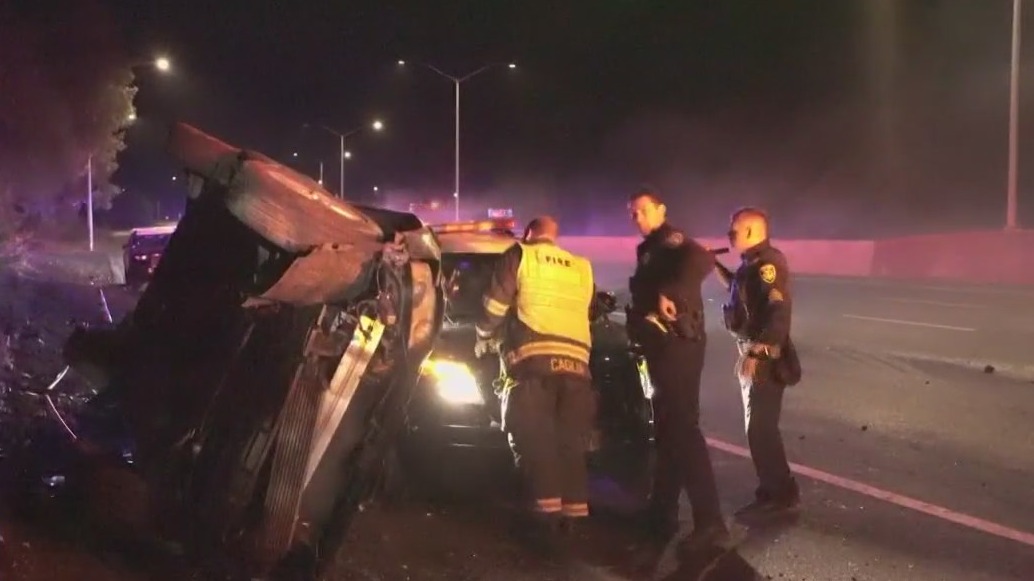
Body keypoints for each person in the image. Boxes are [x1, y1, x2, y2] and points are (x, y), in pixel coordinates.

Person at [474, 216, 598, 542]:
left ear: (529, 235)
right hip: (578, 368)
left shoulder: (521, 255)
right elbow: (589, 310)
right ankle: (573, 519)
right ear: (554, 237)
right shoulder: (581, 267)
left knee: (535, 442)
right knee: (570, 444)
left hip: (534, 364)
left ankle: (543, 524)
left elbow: (496, 303)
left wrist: (483, 335)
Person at [625, 188, 731, 551]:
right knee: (667, 429)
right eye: (632, 213)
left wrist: (669, 292)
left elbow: (701, 259)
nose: (636, 218)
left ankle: (711, 522)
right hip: (658, 345)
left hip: (678, 343)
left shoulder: (671, 240)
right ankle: (662, 512)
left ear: (660, 210)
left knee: (683, 429)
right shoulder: (649, 248)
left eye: (642, 211)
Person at [714, 206, 802, 521]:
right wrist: (715, 265)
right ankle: (774, 490)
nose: (729, 236)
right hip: (752, 350)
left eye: (733, 231)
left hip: (763, 356)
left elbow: (778, 312)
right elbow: (739, 290)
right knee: (759, 429)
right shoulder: (749, 265)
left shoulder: (768, 265)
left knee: (761, 429)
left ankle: (780, 493)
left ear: (751, 231)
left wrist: (756, 354)